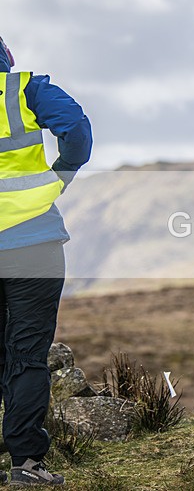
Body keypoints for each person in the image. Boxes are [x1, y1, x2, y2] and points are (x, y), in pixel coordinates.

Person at [0, 35, 92, 486]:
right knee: (27, 354)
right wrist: (57, 181)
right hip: (33, 242)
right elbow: (76, 130)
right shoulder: (25, 90)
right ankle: (26, 464)